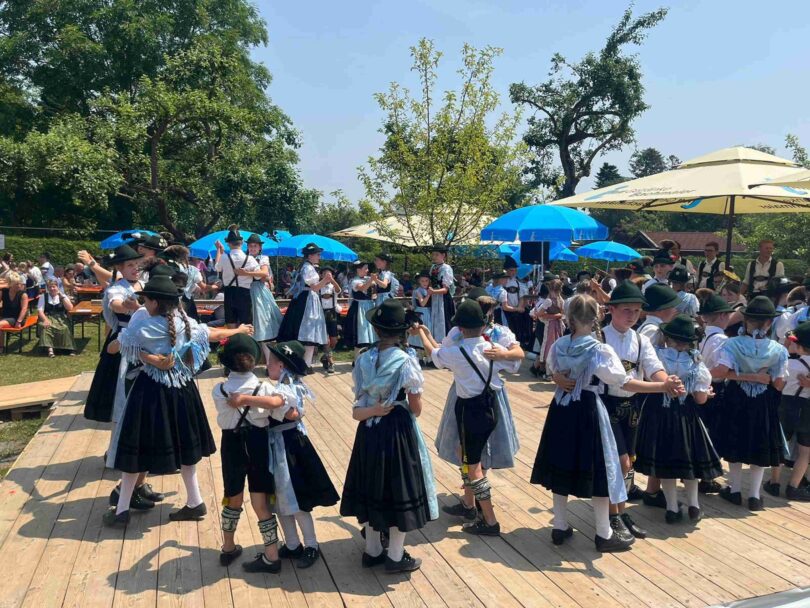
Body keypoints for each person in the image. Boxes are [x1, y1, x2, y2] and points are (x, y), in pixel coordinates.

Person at [102, 274, 253, 526]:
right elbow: (213, 333)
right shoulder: (187, 323)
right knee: (185, 448)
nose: (144, 304)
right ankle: (195, 501)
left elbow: (113, 348)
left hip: (150, 393)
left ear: (153, 302)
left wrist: (146, 356)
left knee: (137, 449)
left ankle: (122, 510)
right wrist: (238, 329)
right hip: (183, 391)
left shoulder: (143, 327)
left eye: (145, 300)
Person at [533, 295, 678, 552]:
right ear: (598, 316)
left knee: (561, 462)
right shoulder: (599, 349)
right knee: (602, 468)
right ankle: (604, 532)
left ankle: (560, 525)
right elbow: (621, 381)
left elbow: (553, 369)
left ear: (569, 317)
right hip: (589, 408)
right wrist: (661, 387)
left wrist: (558, 378)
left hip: (562, 409)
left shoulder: (560, 345)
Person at [341, 300, 436, 573]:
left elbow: (360, 394)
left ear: (375, 329)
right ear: (403, 332)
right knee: (397, 488)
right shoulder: (406, 361)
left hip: (369, 426)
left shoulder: (363, 358)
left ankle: (372, 551)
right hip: (396, 428)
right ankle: (395, 556)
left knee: (372, 484)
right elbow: (415, 407)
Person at [589, 281, 684, 540]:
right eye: (626, 310)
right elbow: (617, 380)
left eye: (636, 311)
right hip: (604, 405)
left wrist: (669, 380)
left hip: (632, 407)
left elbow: (654, 367)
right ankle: (612, 515)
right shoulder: (599, 338)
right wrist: (662, 386)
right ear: (611, 309)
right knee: (617, 464)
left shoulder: (641, 340)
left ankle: (620, 513)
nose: (631, 315)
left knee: (628, 463)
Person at [416, 299, 512, 537]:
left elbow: (433, 353)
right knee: (463, 452)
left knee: (473, 465)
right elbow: (514, 363)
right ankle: (470, 506)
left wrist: (421, 333)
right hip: (489, 406)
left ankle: (489, 520)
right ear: (483, 325)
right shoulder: (491, 347)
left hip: (471, 411)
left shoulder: (457, 352)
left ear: (459, 328)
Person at [432, 292, 523, 523]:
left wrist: (504, 353)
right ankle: (470, 502)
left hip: (486, 395)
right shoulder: (462, 333)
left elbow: (517, 355)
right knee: (465, 450)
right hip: (468, 393)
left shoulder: (498, 333)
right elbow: (445, 350)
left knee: (479, 453)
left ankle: (481, 507)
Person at [213, 334, 291, 573]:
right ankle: (271, 554)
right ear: (255, 360)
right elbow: (280, 409)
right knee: (260, 501)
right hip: (258, 443)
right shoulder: (265, 388)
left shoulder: (219, 390)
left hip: (231, 443)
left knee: (232, 496)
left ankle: (228, 547)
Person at [634, 314, 721, 523]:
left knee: (666, 462)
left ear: (667, 338)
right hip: (685, 415)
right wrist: (705, 394)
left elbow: (647, 377)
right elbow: (700, 399)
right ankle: (694, 505)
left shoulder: (657, 356)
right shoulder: (696, 362)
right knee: (689, 461)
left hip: (658, 413)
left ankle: (672, 508)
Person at [265, 340, 340, 569]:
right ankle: (292, 544)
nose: (267, 365)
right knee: (280, 500)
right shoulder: (280, 385)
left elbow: (293, 413)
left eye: (270, 362)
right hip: (277, 444)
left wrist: (263, 403)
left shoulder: (288, 386)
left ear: (281, 366)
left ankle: (311, 545)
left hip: (291, 447)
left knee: (296, 500)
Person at [713, 296, 788, 511]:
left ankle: (735, 490)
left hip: (736, 397)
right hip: (763, 400)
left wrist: (744, 375)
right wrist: (760, 377)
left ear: (746, 320)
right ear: (769, 323)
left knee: (735, 439)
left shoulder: (732, 344)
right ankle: (754, 496)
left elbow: (721, 372)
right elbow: (779, 384)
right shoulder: (778, 349)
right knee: (760, 442)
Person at [83, 245, 143, 423]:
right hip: (124, 338)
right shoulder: (116, 288)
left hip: (146, 338)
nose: (135, 268)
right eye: (130, 265)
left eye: (136, 264)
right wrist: (127, 306)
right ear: (120, 268)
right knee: (121, 380)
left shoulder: (145, 285)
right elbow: (115, 304)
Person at [696, 292, 734, 491]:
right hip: (714, 388)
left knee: (702, 430)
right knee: (713, 432)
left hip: (699, 387)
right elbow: (721, 370)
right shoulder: (721, 339)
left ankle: (699, 473)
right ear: (721, 315)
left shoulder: (700, 334)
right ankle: (707, 477)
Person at [276, 243, 331, 365]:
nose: (319, 257)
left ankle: (303, 363)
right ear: (310, 255)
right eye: (317, 254)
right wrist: (326, 280)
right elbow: (315, 287)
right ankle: (305, 364)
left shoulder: (304, 266)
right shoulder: (308, 268)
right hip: (307, 300)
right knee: (308, 333)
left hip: (303, 299)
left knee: (304, 333)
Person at [778, 322, 810, 501]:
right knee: (805, 451)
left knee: (781, 445)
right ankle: (794, 487)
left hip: (787, 405)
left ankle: (774, 482)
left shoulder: (789, 364)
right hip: (808, 409)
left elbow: (778, 384)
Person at [214, 225, 258, 328]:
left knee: (231, 324)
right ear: (242, 242)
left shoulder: (224, 257)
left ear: (228, 243)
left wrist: (219, 250)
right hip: (244, 293)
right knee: (247, 325)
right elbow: (258, 277)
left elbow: (217, 268)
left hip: (229, 293)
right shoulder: (250, 259)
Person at [244, 234, 283, 344]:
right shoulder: (244, 258)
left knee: (262, 315)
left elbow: (264, 276)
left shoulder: (263, 258)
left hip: (258, 289)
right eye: (250, 246)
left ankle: (264, 341)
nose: (252, 248)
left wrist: (247, 273)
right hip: (245, 288)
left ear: (260, 247)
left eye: (255, 246)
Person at [530, 279, 566, 379]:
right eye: (554, 290)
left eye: (557, 290)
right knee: (546, 348)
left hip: (556, 326)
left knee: (552, 348)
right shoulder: (548, 301)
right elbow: (539, 314)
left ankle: (539, 368)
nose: (555, 293)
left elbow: (563, 314)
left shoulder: (560, 300)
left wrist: (554, 316)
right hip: (546, 326)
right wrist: (555, 316)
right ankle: (543, 370)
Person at [343, 260, 377, 357]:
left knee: (371, 334)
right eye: (365, 268)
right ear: (358, 270)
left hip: (369, 306)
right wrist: (371, 280)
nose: (367, 270)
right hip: (359, 308)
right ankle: (358, 359)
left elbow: (374, 290)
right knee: (360, 334)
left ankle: (369, 358)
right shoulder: (355, 281)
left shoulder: (367, 279)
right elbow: (362, 288)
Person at [36, 279, 76, 357]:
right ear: (47, 288)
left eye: (54, 287)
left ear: (57, 287)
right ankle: (50, 350)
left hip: (60, 317)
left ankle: (68, 348)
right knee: (46, 327)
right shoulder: (43, 297)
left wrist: (62, 297)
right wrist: (45, 320)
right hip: (47, 316)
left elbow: (70, 308)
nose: (52, 289)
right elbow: (40, 311)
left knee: (65, 328)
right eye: (50, 287)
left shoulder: (62, 296)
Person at [427, 245, 455, 341]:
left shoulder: (446, 268)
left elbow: (445, 289)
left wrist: (433, 291)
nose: (434, 257)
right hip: (434, 297)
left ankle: (445, 342)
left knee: (444, 321)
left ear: (443, 255)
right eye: (433, 254)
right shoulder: (433, 267)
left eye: (436, 254)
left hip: (443, 299)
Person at [318, 265, 342, 374]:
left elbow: (338, 290)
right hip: (321, 313)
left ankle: (325, 356)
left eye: (329, 274)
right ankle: (331, 362)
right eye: (324, 274)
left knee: (334, 340)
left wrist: (332, 280)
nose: (327, 276)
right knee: (326, 339)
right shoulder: (318, 287)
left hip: (332, 313)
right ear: (321, 275)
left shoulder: (333, 286)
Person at [0, 272, 30, 351]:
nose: (19, 285)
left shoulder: (23, 294)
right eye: (16, 284)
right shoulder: (4, 291)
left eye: (20, 283)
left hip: (17, 318)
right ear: (10, 284)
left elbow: (24, 309)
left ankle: (1, 348)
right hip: (5, 316)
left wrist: (19, 321)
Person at [407, 271, 433, 362]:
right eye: (422, 281)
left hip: (429, 312)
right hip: (421, 313)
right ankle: (420, 358)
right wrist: (429, 294)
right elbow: (422, 303)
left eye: (426, 281)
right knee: (419, 334)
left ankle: (430, 358)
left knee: (428, 333)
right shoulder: (418, 291)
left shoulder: (430, 289)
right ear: (419, 281)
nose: (425, 283)